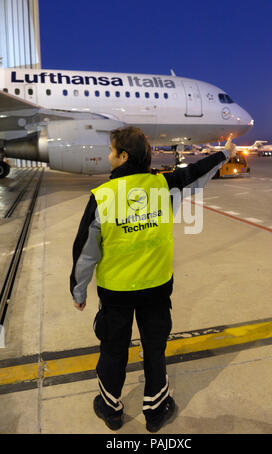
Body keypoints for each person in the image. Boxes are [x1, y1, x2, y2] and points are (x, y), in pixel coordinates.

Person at [70, 127, 236, 432]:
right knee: (155, 349)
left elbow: (85, 253)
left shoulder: (102, 197)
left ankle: (110, 408)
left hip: (116, 294)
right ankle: (156, 409)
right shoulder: (164, 185)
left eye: (111, 151)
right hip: (156, 291)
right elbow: (199, 171)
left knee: (112, 350)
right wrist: (226, 152)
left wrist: (78, 291)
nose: (108, 156)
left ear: (123, 157)